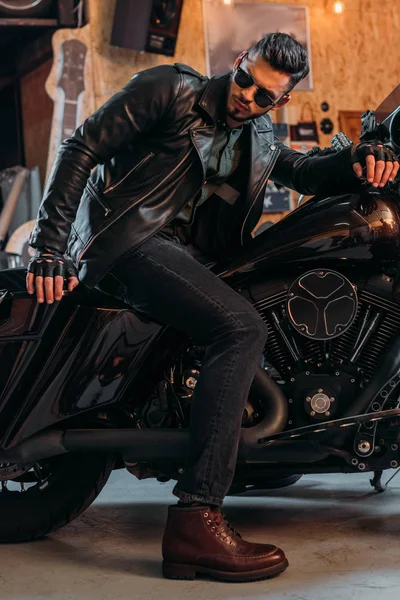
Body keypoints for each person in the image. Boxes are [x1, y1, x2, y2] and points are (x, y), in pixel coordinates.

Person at [26, 33, 398, 583]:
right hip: (124, 243)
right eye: (246, 78)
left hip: (182, 255)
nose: (248, 96)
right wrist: (49, 246)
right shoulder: (169, 90)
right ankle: (196, 517)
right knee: (240, 328)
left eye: (266, 95)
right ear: (237, 61)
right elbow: (82, 146)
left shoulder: (258, 132)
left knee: (258, 308)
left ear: (284, 99)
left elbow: (302, 171)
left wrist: (364, 159)